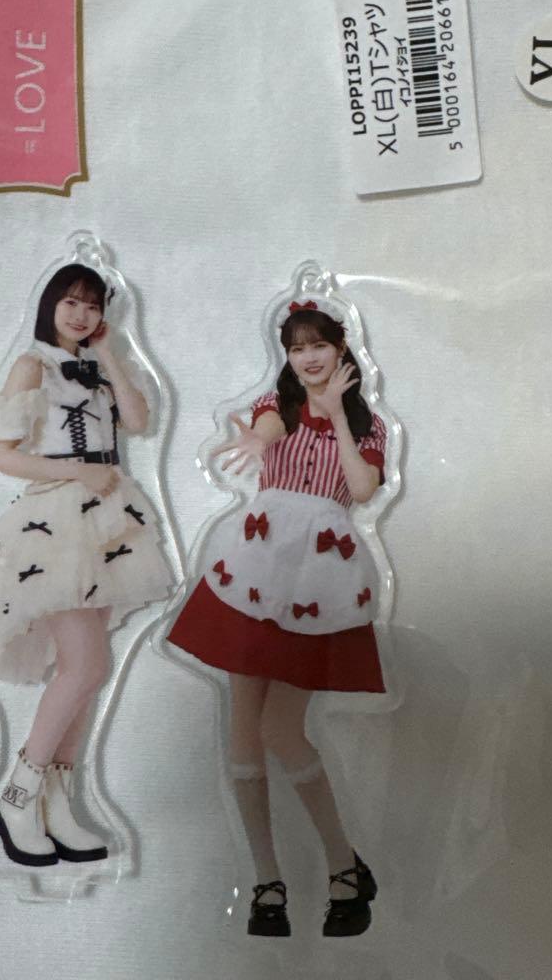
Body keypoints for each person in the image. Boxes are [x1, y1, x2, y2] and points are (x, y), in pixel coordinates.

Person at [167, 299, 388, 937]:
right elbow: (264, 430)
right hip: (261, 561)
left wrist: (339, 415)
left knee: (281, 729)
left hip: (320, 574)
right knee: (244, 727)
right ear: (286, 356)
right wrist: (253, 440)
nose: (308, 357)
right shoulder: (278, 406)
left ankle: (343, 864)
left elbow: (363, 489)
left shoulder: (368, 425)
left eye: (319, 345)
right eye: (297, 348)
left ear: (341, 349)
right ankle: (268, 880)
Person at [0, 263, 170, 867]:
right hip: (58, 520)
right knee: (86, 666)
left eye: (92, 305)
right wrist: (76, 471)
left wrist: (109, 354)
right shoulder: (33, 365)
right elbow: (2, 456)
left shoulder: (100, 365)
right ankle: (17, 796)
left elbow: (139, 421)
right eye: (71, 303)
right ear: (51, 305)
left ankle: (55, 803)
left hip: (108, 518)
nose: (81, 315)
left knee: (86, 669)